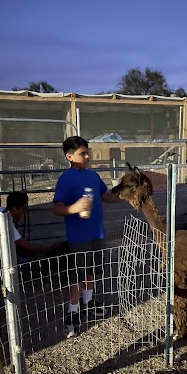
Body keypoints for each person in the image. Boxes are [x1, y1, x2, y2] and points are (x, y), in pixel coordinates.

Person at [53, 136, 121, 338]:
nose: (88, 155)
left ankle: (88, 300)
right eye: (83, 153)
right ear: (69, 156)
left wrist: (127, 195)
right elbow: (57, 208)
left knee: (92, 270)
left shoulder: (93, 176)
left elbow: (106, 196)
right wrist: (74, 208)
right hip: (78, 237)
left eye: (87, 151)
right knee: (77, 275)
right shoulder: (66, 179)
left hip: (97, 233)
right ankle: (72, 311)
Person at [0, 191, 51, 277]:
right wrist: (48, 249)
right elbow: (24, 244)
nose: (24, 212)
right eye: (23, 208)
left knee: (24, 254)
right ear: (15, 208)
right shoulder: (6, 224)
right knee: (24, 265)